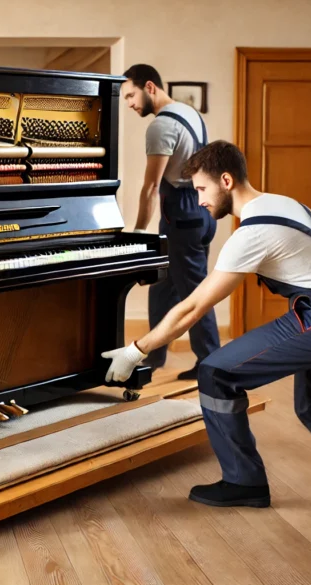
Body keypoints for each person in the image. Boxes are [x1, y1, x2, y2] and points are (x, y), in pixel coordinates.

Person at [102, 140, 311, 510]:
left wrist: (137, 350)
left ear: (226, 180)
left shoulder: (253, 233)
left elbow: (192, 308)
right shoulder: (284, 203)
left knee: (215, 373)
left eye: (201, 189)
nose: (199, 201)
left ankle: (244, 483)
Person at [122, 64, 220, 379]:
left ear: (149, 86)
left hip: (181, 214)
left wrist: (137, 234)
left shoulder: (160, 126)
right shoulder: (189, 113)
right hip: (202, 209)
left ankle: (211, 364)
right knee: (162, 287)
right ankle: (154, 357)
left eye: (131, 95)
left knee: (195, 294)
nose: (130, 104)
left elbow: (151, 187)